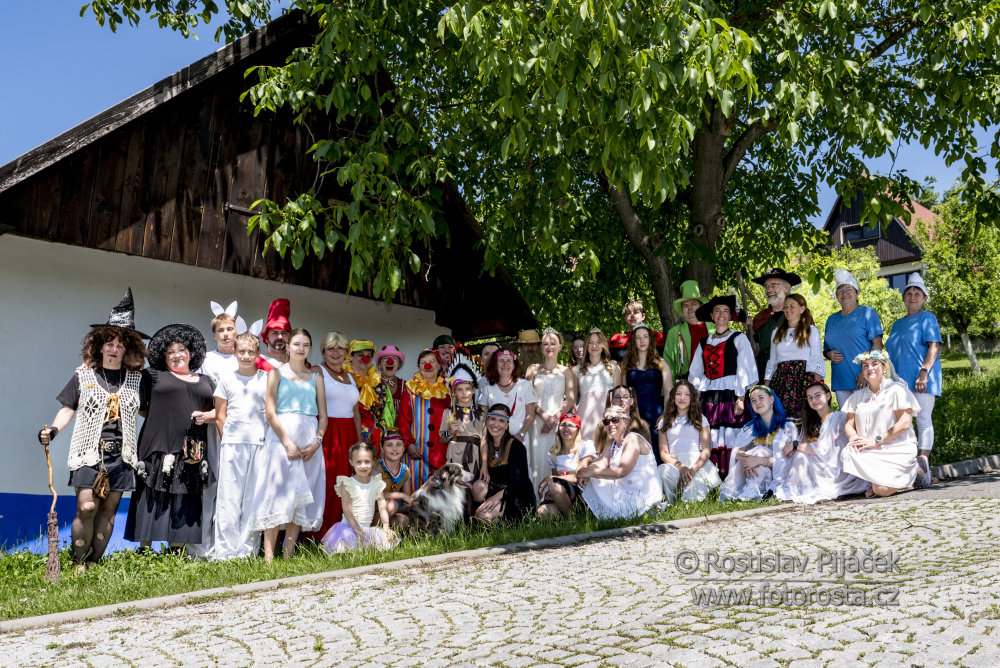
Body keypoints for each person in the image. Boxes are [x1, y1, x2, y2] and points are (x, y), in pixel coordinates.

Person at [39, 289, 149, 570]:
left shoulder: (136, 380)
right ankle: (78, 563)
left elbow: (148, 411)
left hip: (122, 456)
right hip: (88, 453)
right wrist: (53, 430)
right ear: (100, 346)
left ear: (128, 350)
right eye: (109, 343)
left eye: (120, 345)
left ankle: (93, 564)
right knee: (87, 507)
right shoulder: (84, 376)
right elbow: (68, 408)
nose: (114, 349)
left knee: (108, 512)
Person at [125, 324, 217, 551]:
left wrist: (205, 416)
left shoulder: (207, 380)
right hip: (157, 444)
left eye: (181, 350)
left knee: (185, 498)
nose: (177, 355)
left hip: (191, 450)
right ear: (163, 356)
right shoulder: (152, 375)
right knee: (151, 495)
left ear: (191, 353)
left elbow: (220, 411)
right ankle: (145, 551)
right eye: (170, 352)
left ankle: (176, 552)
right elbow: (140, 406)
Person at [249, 329, 328, 561]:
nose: (301, 349)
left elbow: (323, 416)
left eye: (305, 345)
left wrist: (317, 441)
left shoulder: (316, 377)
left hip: (309, 439)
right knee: (276, 494)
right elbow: (270, 412)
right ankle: (268, 558)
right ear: (289, 346)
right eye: (296, 344)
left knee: (300, 500)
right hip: (281, 439)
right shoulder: (276, 373)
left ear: (310, 348)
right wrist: (286, 442)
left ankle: (288, 556)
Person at [211, 332, 268, 559]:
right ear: (234, 352)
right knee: (229, 498)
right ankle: (226, 551)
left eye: (251, 352)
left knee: (253, 499)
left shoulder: (266, 379)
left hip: (259, 443)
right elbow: (220, 416)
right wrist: (228, 440)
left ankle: (247, 550)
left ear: (258, 353)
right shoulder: (227, 379)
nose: (246, 356)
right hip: (233, 444)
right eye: (241, 351)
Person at [688, 295, 758, 478]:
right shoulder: (704, 342)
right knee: (710, 432)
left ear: (730, 316)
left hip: (731, 393)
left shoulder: (739, 338)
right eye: (717, 311)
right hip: (709, 395)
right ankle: (712, 476)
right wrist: (694, 398)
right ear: (711, 315)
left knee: (730, 432)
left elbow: (745, 368)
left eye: (726, 311)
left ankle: (733, 475)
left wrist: (741, 397)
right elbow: (695, 372)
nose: (721, 314)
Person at [771, 381, 869, 504]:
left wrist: (795, 445)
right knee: (798, 455)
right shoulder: (812, 421)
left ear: (828, 396)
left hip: (837, 467)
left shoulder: (836, 417)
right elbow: (804, 443)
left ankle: (788, 488)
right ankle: (789, 487)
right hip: (822, 462)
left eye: (818, 395)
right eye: (810, 398)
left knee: (801, 455)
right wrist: (794, 448)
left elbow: (823, 449)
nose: (814, 400)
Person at [841, 350, 922, 497]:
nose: (869, 368)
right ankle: (878, 480)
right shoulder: (857, 396)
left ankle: (915, 471)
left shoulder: (897, 390)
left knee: (881, 490)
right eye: (865, 365)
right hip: (869, 449)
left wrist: (876, 440)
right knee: (848, 452)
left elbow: (904, 423)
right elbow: (848, 425)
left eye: (874, 364)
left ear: (885, 368)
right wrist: (854, 438)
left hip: (896, 447)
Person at [885, 273, 940, 482]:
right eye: (908, 293)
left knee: (923, 420)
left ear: (924, 298)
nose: (912, 297)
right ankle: (905, 465)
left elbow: (934, 345)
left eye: (917, 294)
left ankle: (923, 467)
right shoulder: (897, 324)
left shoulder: (927, 317)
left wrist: (924, 372)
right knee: (902, 423)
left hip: (921, 378)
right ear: (903, 298)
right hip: (899, 382)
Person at [311, 332, 361, 539]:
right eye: (331, 348)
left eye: (340, 348)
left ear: (347, 352)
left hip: (348, 434)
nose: (336, 352)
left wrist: (359, 446)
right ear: (323, 351)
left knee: (347, 484)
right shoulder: (317, 371)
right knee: (327, 484)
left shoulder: (350, 377)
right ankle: (318, 535)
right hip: (327, 433)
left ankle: (342, 534)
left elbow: (356, 414)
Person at [577, 406, 662, 519]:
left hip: (642, 495)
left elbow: (622, 471)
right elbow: (600, 463)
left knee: (595, 476)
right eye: (606, 421)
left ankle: (635, 512)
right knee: (594, 479)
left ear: (625, 422)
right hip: (625, 491)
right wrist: (586, 471)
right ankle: (605, 515)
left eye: (615, 420)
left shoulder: (633, 439)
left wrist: (591, 472)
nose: (610, 424)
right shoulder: (612, 443)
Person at [719, 386, 797, 501]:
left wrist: (758, 460)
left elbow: (789, 460)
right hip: (754, 469)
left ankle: (748, 492)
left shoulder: (788, 427)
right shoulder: (750, 428)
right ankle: (735, 491)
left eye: (761, 398)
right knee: (754, 454)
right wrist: (747, 459)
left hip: (778, 474)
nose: (757, 403)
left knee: (760, 451)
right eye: (753, 400)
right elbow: (737, 452)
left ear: (771, 399)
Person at [320, 442, 398, 552]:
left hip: (367, 528)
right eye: (358, 462)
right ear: (351, 462)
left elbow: (382, 505)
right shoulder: (347, 483)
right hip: (349, 528)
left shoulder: (376, 482)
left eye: (367, 461)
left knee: (382, 548)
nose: (363, 466)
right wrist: (359, 533)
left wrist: (386, 526)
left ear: (373, 462)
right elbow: (347, 511)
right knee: (348, 551)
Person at [822, 269, 884, 408]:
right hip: (840, 380)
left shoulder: (867, 313)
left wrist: (867, 372)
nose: (844, 294)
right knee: (847, 419)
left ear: (857, 292)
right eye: (840, 291)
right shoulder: (831, 320)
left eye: (849, 289)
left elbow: (877, 344)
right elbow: (825, 350)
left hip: (864, 379)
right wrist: (829, 354)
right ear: (836, 295)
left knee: (867, 419)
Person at [525, 328, 578, 490]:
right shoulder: (532, 369)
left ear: (560, 346)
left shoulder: (567, 371)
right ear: (541, 347)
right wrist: (545, 417)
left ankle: (554, 496)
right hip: (536, 421)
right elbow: (528, 397)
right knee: (535, 460)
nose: (549, 347)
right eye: (545, 344)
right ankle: (534, 498)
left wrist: (554, 418)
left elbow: (570, 399)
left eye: (553, 343)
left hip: (558, 422)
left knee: (555, 459)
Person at [657, 380, 721, 504]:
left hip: (697, 465)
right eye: (679, 394)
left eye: (687, 394)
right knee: (662, 471)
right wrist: (680, 467)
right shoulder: (664, 421)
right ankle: (672, 503)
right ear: (673, 397)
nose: (682, 398)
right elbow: (663, 453)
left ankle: (686, 501)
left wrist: (691, 471)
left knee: (691, 497)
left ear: (692, 398)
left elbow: (706, 451)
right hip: (675, 465)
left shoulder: (701, 419)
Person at [763, 293, 824, 421]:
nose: (788, 309)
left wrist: (817, 385)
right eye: (785, 306)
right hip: (781, 380)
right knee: (781, 417)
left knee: (805, 416)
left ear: (802, 309)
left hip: (803, 378)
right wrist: (766, 387)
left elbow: (816, 358)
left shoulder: (811, 330)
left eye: (792, 306)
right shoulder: (776, 332)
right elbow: (772, 361)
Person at [471, 404, 536, 522]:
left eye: (501, 421)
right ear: (487, 420)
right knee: (478, 486)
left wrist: (495, 498)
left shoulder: (516, 446)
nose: (496, 424)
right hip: (494, 491)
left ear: (507, 425)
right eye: (493, 419)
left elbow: (519, 482)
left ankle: (496, 521)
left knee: (483, 515)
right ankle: (479, 521)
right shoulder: (485, 445)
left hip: (516, 494)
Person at [399, 349, 451, 486]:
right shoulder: (410, 389)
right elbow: (403, 420)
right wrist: (408, 444)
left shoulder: (448, 389)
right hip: (416, 452)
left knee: (440, 491)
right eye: (423, 363)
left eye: (432, 362)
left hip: (441, 452)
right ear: (419, 367)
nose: (428, 366)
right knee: (415, 492)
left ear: (439, 365)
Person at [622, 322, 672, 459]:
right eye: (638, 338)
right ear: (633, 341)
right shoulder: (626, 365)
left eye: (645, 337)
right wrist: (626, 415)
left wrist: (666, 414)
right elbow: (623, 393)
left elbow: (668, 391)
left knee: (657, 445)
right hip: (635, 413)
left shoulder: (661, 363)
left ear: (650, 339)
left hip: (655, 411)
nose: (642, 341)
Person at [535, 413, 597, 520]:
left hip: (583, 492)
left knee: (554, 484)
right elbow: (556, 478)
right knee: (542, 511)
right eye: (563, 425)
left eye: (571, 425)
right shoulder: (554, 452)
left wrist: (552, 479)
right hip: (564, 493)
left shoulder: (585, 446)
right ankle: (574, 517)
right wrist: (552, 492)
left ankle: (573, 521)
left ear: (578, 429)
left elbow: (580, 475)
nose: (566, 429)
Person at [478, 347, 538, 448]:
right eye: (501, 361)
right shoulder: (488, 389)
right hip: (495, 440)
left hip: (519, 439)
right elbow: (483, 418)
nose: (505, 364)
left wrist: (521, 434)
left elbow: (530, 415)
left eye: (509, 361)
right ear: (495, 365)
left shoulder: (525, 385)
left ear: (514, 365)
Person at [750, 269, 800, 381]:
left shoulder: (800, 314)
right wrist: (748, 331)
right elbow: (754, 350)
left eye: (774, 285)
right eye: (766, 286)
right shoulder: (760, 317)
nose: (769, 290)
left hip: (793, 375)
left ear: (786, 288)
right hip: (765, 376)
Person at [576, 329, 622, 441]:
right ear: (586, 346)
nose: (594, 346)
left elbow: (618, 397)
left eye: (598, 342)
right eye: (591, 342)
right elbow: (572, 400)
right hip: (584, 417)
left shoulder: (614, 368)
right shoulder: (576, 370)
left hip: (607, 417)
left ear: (603, 345)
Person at [663, 280, 714, 380]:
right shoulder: (674, 332)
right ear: (682, 310)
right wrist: (670, 388)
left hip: (713, 384)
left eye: (693, 304)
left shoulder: (715, 328)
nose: (689, 308)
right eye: (685, 305)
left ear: (701, 306)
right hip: (685, 385)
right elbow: (668, 364)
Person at [440, 376, 487, 476]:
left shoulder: (480, 414)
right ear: (454, 392)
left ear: (473, 390)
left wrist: (484, 465)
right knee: (455, 482)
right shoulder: (449, 412)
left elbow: (484, 442)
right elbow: (442, 440)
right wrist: (450, 432)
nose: (464, 393)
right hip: (454, 455)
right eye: (460, 389)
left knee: (471, 482)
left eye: (467, 389)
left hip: (473, 457)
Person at [344, 339, 385, 444]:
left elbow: (385, 415)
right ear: (351, 356)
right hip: (349, 433)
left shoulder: (378, 383)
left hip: (374, 438)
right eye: (360, 355)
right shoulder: (343, 380)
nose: (365, 359)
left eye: (368, 356)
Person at [375, 429, 414, 529]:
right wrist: (401, 495)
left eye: (399, 445)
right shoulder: (376, 468)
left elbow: (408, 500)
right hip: (371, 510)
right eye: (389, 445)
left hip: (388, 511)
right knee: (392, 505)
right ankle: (371, 533)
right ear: (382, 448)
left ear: (404, 448)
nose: (394, 449)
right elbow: (374, 496)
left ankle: (386, 532)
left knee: (404, 520)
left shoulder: (405, 470)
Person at [255, 298, 292, 371]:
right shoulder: (255, 364)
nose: (280, 337)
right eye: (275, 333)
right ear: (266, 337)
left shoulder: (300, 365)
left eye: (284, 333)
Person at [374, 345, 406, 429]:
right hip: (377, 432)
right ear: (379, 363)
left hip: (399, 432)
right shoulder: (372, 383)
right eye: (385, 358)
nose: (390, 361)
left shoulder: (405, 385)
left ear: (399, 364)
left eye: (394, 358)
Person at [476, 341, 500, 406]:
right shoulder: (476, 380)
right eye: (486, 354)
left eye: (494, 354)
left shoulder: (507, 380)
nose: (490, 357)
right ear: (481, 358)